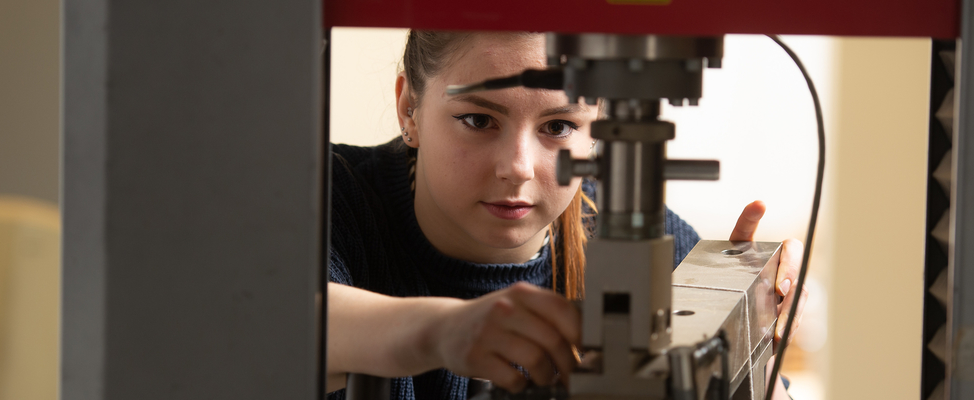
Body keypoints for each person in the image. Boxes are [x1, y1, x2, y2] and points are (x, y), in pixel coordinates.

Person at [325, 31, 808, 400]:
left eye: (558, 126)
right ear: (410, 108)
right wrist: (442, 332)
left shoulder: (641, 237)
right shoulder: (325, 194)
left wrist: (750, 336)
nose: (517, 167)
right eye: (478, 120)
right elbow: (274, 316)